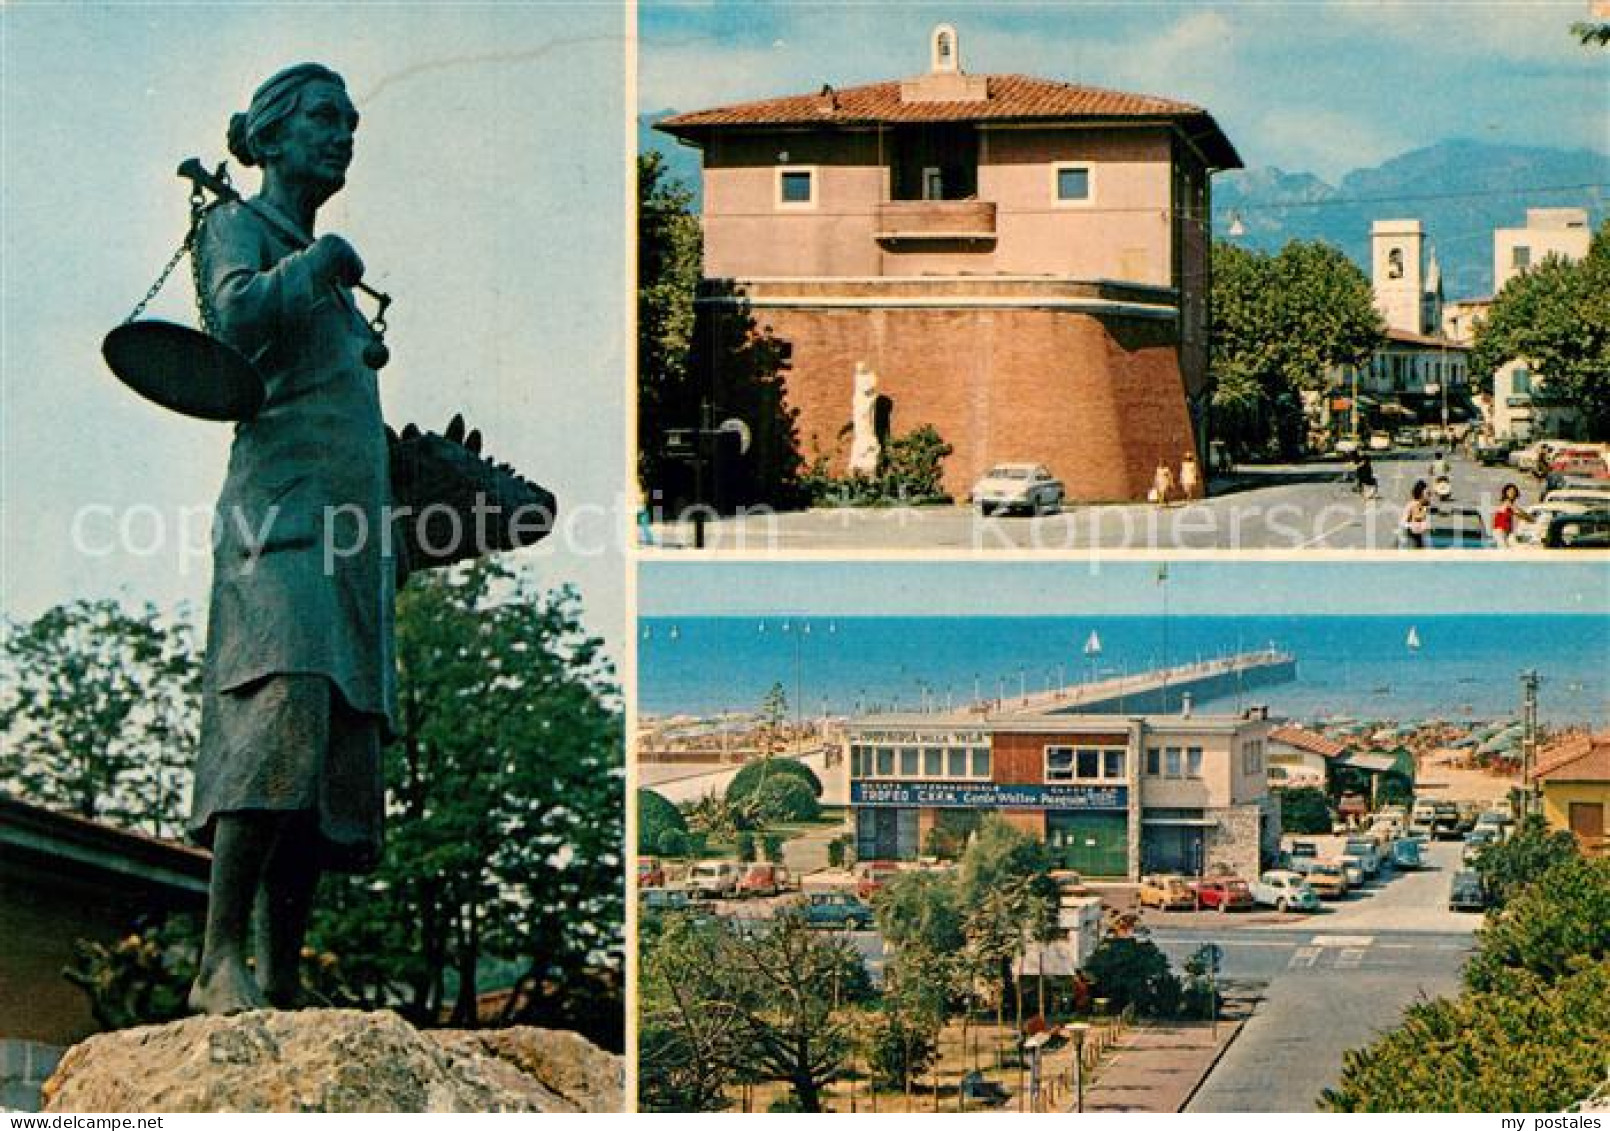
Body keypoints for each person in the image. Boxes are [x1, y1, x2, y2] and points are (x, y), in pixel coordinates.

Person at [186, 63, 398, 1015]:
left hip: (352, 539)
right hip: (277, 522)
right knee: (280, 704)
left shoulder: (344, 296)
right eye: (322, 117)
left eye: (350, 121)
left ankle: (278, 971)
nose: (341, 133)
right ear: (269, 135)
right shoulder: (237, 225)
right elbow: (230, 316)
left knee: (330, 743)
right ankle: (215, 959)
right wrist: (318, 264)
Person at [1492, 482, 1533, 549]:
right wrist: (1529, 519)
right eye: (1510, 492)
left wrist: (1529, 518)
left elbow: (1520, 512)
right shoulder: (1507, 503)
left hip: (1505, 532)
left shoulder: (1511, 504)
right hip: (1500, 532)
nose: (1512, 493)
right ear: (1506, 493)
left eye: (1514, 492)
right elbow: (1518, 512)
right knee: (1504, 551)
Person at [1399, 479, 1431, 548]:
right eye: (1428, 494)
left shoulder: (1423, 506)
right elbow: (1402, 523)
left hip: (1420, 540)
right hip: (1411, 542)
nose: (1430, 496)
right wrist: (1412, 526)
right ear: (1421, 494)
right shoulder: (1411, 505)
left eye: (1430, 494)